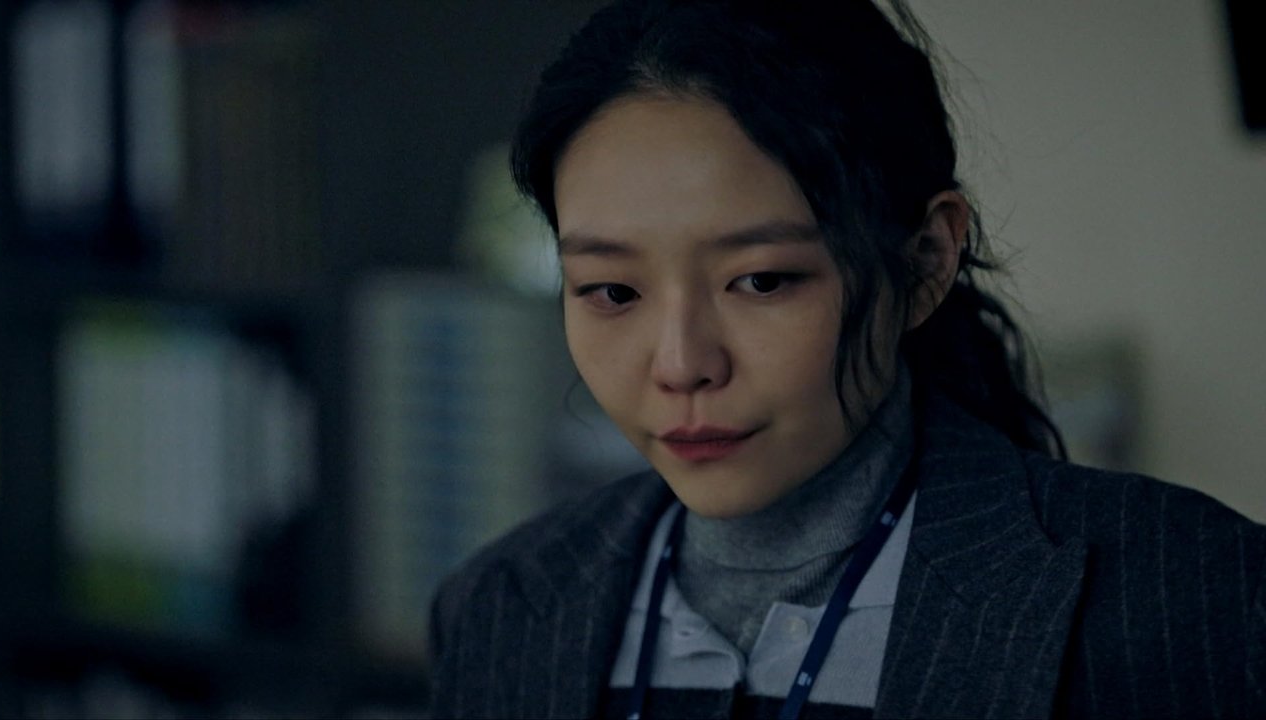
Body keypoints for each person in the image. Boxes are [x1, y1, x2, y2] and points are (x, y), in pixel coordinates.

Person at [429, 1, 1266, 717]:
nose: (682, 365)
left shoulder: (1194, 597)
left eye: (761, 280)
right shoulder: (501, 608)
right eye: (612, 291)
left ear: (926, 261)